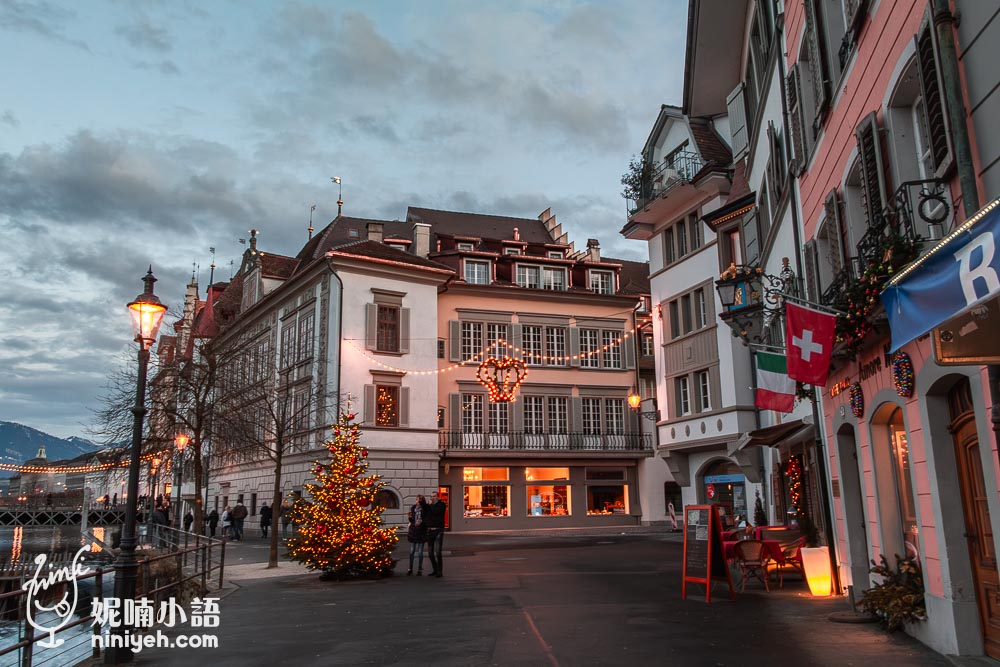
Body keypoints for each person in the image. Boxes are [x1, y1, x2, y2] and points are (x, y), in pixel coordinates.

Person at [424, 491, 446, 578]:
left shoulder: (441, 505)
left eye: (434, 496)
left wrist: (430, 506)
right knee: (430, 553)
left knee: (438, 552)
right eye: (431, 496)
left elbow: (436, 512)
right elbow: (426, 515)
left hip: (438, 530)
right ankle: (435, 569)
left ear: (438, 497)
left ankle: (439, 571)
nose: (432, 498)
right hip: (430, 530)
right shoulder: (429, 506)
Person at [406, 495, 427, 576]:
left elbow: (425, 519)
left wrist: (421, 522)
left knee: (420, 551)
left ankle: (419, 569)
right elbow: (412, 520)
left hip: (421, 531)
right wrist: (410, 518)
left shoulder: (424, 508)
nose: (417, 501)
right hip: (414, 530)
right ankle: (410, 568)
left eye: (419, 500)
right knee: (412, 551)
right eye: (416, 500)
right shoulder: (413, 507)